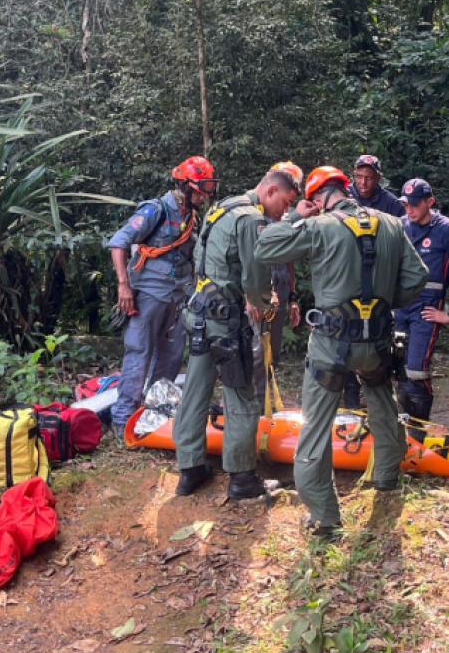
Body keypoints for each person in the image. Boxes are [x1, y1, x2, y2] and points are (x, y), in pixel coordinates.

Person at [256, 167, 427, 539]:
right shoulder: (392, 224)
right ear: (345, 189)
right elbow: (417, 277)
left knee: (316, 425)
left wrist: (297, 217)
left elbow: (265, 247)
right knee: (382, 401)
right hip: (378, 339)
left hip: (333, 342)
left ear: (317, 199)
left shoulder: (319, 226)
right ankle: (386, 477)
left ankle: (324, 516)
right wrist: (382, 304)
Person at [171, 166, 303, 498]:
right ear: (271, 191)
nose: (284, 212)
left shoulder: (222, 208)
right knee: (241, 395)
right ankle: (242, 478)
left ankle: (189, 469)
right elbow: (256, 276)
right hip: (227, 322)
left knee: (195, 392)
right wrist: (262, 303)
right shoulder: (252, 220)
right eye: (285, 204)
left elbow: (204, 257)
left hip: (200, 312)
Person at [107, 156, 219, 439]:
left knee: (170, 357)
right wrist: (123, 286)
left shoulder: (190, 217)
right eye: (201, 188)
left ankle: (154, 415)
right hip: (148, 295)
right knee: (139, 355)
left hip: (178, 297)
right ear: (185, 185)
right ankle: (122, 423)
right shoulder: (155, 210)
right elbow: (119, 242)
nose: (204, 195)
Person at [394, 178, 449, 429]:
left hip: (426, 310)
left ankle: (420, 429)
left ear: (430, 202)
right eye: (406, 204)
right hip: (398, 308)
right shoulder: (400, 226)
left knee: (416, 370)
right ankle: (403, 426)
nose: (410, 210)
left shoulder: (448, 230)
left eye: (415, 205)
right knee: (398, 368)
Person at [342, 156, 404, 408]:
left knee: (376, 337)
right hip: (348, 277)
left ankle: (378, 398)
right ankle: (350, 401)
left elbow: (402, 239)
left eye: (369, 177)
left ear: (378, 178)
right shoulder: (344, 198)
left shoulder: (391, 204)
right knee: (345, 335)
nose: (363, 182)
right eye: (359, 177)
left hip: (378, 278)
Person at [253, 162, 304, 399]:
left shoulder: (284, 215)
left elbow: (289, 259)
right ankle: (251, 404)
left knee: (272, 353)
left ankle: (266, 401)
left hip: (280, 293)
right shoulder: (252, 215)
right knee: (255, 352)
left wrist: (293, 298)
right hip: (258, 297)